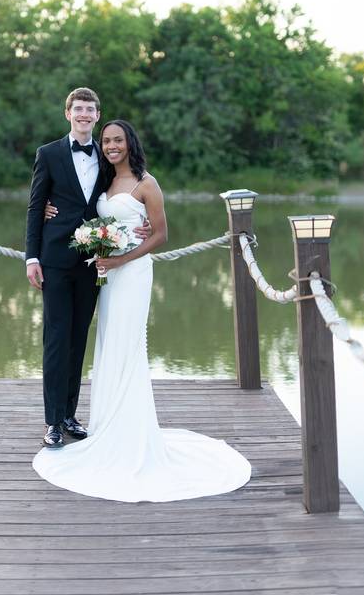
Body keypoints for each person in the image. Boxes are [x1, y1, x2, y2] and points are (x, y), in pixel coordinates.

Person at [32, 119, 252, 501]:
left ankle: (129, 431)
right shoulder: (102, 175)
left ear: (130, 143)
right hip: (103, 274)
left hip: (129, 274)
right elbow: (76, 205)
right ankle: (92, 422)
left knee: (128, 346)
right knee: (106, 344)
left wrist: (121, 259)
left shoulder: (146, 183)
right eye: (107, 141)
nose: (112, 146)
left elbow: (162, 234)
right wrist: (51, 210)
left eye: (118, 140)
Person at [25, 88, 149, 448]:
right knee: (56, 338)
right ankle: (51, 421)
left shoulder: (108, 155)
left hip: (93, 261)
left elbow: (125, 194)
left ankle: (68, 415)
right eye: (77, 109)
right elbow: (36, 207)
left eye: (90, 110)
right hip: (54, 260)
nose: (83, 114)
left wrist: (140, 224)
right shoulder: (48, 154)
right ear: (68, 114)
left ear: (97, 116)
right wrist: (31, 257)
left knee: (79, 338)